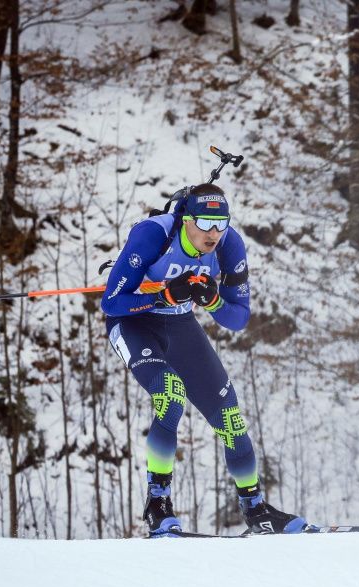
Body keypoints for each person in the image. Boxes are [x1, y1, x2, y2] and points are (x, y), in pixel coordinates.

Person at [101, 184, 305, 537]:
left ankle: (255, 509)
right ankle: (157, 504)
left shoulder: (229, 244)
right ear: (186, 220)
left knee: (229, 413)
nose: (213, 233)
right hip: (133, 323)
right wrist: (163, 294)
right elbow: (112, 303)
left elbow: (238, 319)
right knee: (169, 394)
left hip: (180, 324)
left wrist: (213, 302)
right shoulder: (153, 235)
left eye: (220, 223)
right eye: (205, 223)